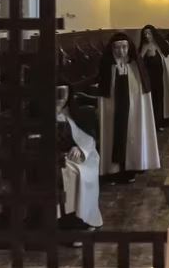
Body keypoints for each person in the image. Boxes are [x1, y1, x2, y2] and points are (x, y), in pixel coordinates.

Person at [97, 32, 160, 182]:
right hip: (113, 111)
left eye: (124, 47)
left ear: (129, 47)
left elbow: (141, 91)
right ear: (112, 49)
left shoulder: (136, 65)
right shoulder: (107, 66)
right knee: (113, 136)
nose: (121, 51)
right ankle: (113, 170)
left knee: (133, 136)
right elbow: (105, 91)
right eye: (117, 48)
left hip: (133, 111)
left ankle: (133, 166)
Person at [55, 85, 103, 234]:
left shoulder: (72, 114)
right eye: (57, 93)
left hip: (73, 156)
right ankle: (68, 223)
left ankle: (82, 219)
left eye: (64, 93)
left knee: (80, 172)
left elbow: (86, 138)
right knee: (70, 173)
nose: (61, 97)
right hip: (55, 158)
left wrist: (79, 148)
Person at [139, 25, 169, 130]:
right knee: (153, 101)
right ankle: (153, 124)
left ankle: (162, 123)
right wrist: (144, 51)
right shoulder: (143, 46)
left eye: (149, 33)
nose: (147, 36)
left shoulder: (162, 45)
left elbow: (168, 59)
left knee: (161, 100)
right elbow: (139, 62)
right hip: (150, 79)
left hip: (162, 77)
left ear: (153, 34)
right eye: (145, 34)